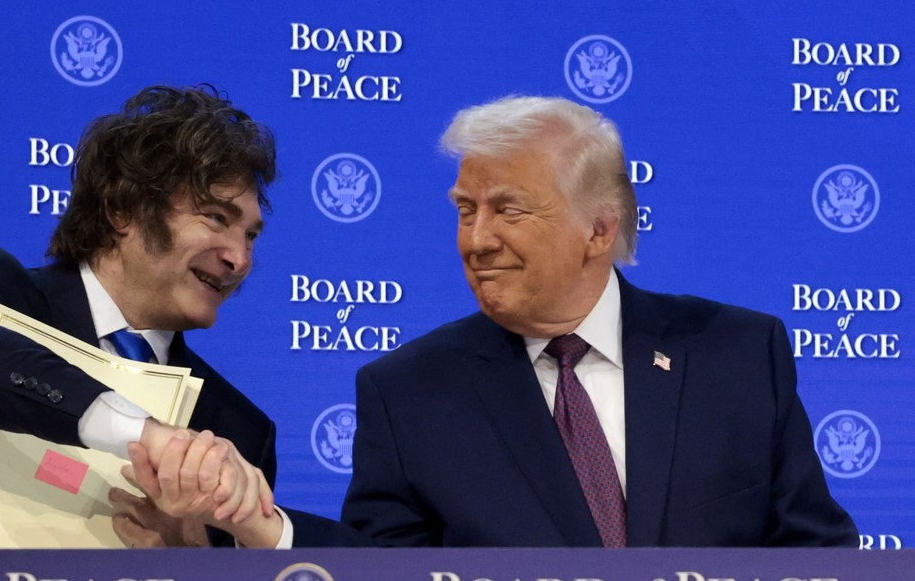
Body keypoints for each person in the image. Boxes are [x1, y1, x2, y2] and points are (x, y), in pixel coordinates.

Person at [133, 95, 859, 548]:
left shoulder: (737, 353)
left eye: (508, 209)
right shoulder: (408, 394)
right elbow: (379, 572)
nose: (476, 240)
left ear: (599, 229)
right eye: (464, 210)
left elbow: (818, 556)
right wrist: (264, 529)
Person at [0, 84, 277, 547]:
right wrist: (144, 434)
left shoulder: (235, 432)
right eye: (216, 218)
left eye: (251, 236)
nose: (239, 259)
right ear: (123, 211)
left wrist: (191, 564)